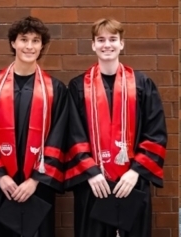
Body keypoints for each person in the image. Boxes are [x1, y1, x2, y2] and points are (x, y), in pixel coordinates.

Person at [0, 16, 93, 237]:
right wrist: (0, 176)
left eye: (35, 41)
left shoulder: (55, 89)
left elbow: (58, 139)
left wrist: (35, 181)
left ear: (42, 46)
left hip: (38, 185)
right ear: (13, 43)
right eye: (23, 39)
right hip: (1, 184)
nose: (29, 46)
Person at [68, 18, 168, 237]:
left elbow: (156, 134)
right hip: (93, 184)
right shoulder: (78, 86)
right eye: (101, 40)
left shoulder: (142, 84)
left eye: (113, 39)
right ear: (93, 44)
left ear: (122, 44)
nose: (107, 45)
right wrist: (92, 173)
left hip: (132, 182)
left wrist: (135, 172)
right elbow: (73, 135)